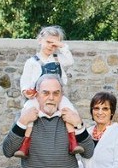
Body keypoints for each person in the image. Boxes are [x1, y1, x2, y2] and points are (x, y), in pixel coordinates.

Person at [16, 25, 83, 157]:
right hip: (37, 97)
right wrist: (26, 91)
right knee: (28, 112)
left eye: (54, 44)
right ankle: (25, 144)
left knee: (69, 110)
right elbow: (25, 81)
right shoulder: (32, 62)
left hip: (57, 96)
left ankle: (73, 142)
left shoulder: (58, 60)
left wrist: (61, 45)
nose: (50, 46)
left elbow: (70, 61)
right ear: (40, 40)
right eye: (48, 42)